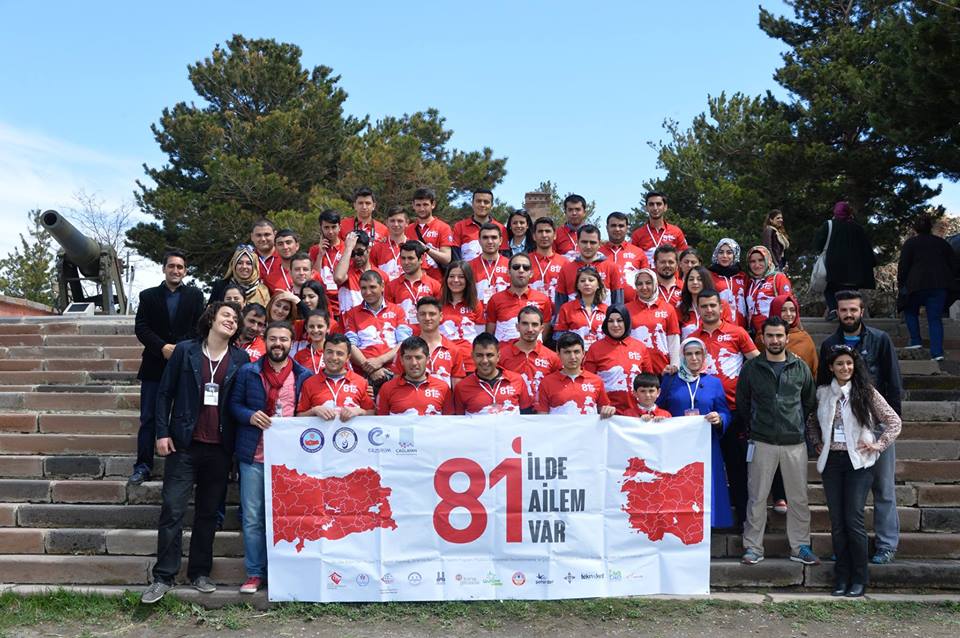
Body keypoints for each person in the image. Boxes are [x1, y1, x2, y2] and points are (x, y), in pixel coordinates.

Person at [140, 302, 248, 604]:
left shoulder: (240, 358)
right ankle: (163, 576)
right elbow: (164, 393)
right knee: (173, 510)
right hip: (184, 445)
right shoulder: (186, 351)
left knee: (207, 514)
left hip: (220, 449)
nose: (231, 320)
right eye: (226, 315)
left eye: (235, 319)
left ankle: (200, 572)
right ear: (211, 318)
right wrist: (162, 432)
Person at [807, 345, 902, 598]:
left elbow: (894, 421)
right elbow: (812, 421)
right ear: (831, 367)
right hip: (832, 462)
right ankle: (841, 577)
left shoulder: (866, 392)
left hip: (858, 463)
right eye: (839, 364)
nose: (845, 368)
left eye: (849, 363)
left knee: (854, 519)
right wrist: (817, 441)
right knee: (837, 522)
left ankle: (859, 578)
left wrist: (878, 444)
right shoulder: (824, 394)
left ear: (854, 365)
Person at [818, 290, 903, 565]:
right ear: (837, 312)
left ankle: (886, 545)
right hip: (844, 433)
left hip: (875, 426)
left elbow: (893, 381)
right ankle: (846, 547)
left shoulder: (880, 339)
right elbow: (823, 386)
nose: (848, 314)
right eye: (843, 310)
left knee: (883, 488)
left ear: (862, 310)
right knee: (846, 497)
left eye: (853, 309)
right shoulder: (830, 343)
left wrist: (886, 427)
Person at [229, 320, 312, 595]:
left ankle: (286, 571)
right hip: (254, 455)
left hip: (291, 460)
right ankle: (254, 573)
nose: (278, 344)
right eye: (273, 339)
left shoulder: (303, 375)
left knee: (289, 517)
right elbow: (233, 406)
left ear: (292, 343)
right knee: (252, 517)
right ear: (265, 340)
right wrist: (250, 416)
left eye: (284, 339)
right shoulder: (248, 372)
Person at [737, 317, 817, 567]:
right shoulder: (751, 368)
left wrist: (795, 424)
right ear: (762, 338)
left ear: (786, 337)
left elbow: (808, 401)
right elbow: (743, 403)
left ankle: (800, 545)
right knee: (757, 497)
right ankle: (752, 547)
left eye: (779, 336)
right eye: (770, 336)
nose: (775, 340)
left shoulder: (800, 367)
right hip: (761, 440)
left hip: (794, 442)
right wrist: (756, 426)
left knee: (798, 497)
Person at [130, 251, 205, 485]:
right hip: (154, 364)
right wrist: (161, 347)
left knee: (184, 416)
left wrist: (180, 349)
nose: (176, 270)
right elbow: (141, 327)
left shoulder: (195, 295)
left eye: (180, 267)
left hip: (184, 365)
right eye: (171, 266)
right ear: (164, 268)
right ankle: (143, 465)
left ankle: (182, 466)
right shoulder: (148, 296)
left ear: (185, 271)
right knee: (149, 418)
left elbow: (200, 328)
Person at [692, 290, 760, 525]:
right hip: (701, 417)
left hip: (733, 410)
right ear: (698, 309)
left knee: (737, 468)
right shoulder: (693, 337)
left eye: (713, 305)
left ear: (721, 308)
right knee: (700, 470)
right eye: (704, 306)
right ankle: (701, 523)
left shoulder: (737, 332)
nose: (709, 310)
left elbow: (757, 362)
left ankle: (743, 522)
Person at [657, 337, 734, 528]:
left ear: (704, 356)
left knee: (708, 483)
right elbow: (659, 406)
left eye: (698, 353)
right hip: (676, 444)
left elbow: (725, 411)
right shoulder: (670, 380)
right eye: (689, 354)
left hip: (706, 444)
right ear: (682, 356)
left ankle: (710, 524)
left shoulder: (714, 382)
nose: (694, 358)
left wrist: (720, 419)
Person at [899, 213, 957, 361]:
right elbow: (954, 264)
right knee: (934, 318)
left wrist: (902, 285)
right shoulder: (942, 243)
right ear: (930, 227)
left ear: (916, 228)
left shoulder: (910, 244)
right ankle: (937, 353)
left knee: (910, 311)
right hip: (939, 285)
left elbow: (903, 267)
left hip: (915, 285)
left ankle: (916, 341)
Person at [343, 270, 413, 386]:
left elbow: (404, 343)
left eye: (372, 287)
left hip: (394, 371)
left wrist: (379, 361)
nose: (368, 292)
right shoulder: (352, 313)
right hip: (364, 374)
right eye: (363, 288)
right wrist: (372, 369)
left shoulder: (397, 310)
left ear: (382, 286)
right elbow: (350, 345)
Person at [582, 305, 653, 414]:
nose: (615, 325)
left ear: (626, 322)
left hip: (637, 415)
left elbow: (649, 382)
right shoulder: (595, 348)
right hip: (607, 415)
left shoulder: (640, 347)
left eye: (620, 320)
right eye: (610, 321)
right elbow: (588, 383)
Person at [814, 201, 876, 320]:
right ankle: (850, 313)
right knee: (851, 293)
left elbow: (818, 244)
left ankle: (833, 310)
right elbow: (866, 249)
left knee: (829, 289)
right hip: (854, 271)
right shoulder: (857, 228)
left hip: (833, 267)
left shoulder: (829, 225)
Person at [390, 297, 466, 388]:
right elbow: (395, 384)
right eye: (422, 314)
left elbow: (457, 389)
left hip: (443, 401)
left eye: (432, 314)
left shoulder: (454, 350)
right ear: (417, 317)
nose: (427, 318)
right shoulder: (405, 347)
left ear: (441, 316)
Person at [296, 332, 374, 418]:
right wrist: (314, 410)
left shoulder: (361, 382)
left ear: (348, 357)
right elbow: (299, 416)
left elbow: (372, 413)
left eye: (340, 354)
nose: (334, 358)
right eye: (329, 352)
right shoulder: (309, 383)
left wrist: (360, 411)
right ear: (323, 353)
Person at [453, 332, 534, 415]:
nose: (485, 361)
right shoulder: (461, 387)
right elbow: (458, 424)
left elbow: (527, 417)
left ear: (498, 356)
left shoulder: (517, 380)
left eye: (489, 355)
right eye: (479, 355)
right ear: (472, 356)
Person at [536, 333, 615, 417]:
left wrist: (609, 410)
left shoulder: (597, 381)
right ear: (558, 354)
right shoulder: (547, 383)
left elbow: (604, 410)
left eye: (576, 352)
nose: (572, 357)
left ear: (583, 353)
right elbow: (542, 418)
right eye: (567, 352)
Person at [376, 336, 453, 415]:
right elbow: (381, 423)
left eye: (418, 357)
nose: (414, 363)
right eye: (408, 358)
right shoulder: (387, 389)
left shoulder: (443, 388)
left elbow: (450, 423)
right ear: (401, 360)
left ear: (427, 360)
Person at [498, 306, 561, 402]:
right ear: (517, 327)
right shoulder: (501, 355)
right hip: (511, 412)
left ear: (541, 328)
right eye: (525, 324)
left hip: (542, 412)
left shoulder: (553, 357)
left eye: (534, 324)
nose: (530, 329)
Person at [485, 253, 553, 342]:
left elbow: (545, 330)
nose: (521, 270)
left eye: (526, 267)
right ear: (508, 272)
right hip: (504, 354)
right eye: (516, 267)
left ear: (531, 273)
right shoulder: (495, 299)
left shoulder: (543, 299)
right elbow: (490, 333)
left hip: (533, 353)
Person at [555, 225, 624, 311]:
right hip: (574, 322)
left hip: (604, 322)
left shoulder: (612, 267)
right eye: (584, 242)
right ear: (577, 243)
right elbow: (560, 308)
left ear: (599, 244)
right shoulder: (566, 269)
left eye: (592, 242)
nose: (588, 246)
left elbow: (618, 305)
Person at [625, 268, 680, 374]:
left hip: (663, 369)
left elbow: (673, 340)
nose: (644, 287)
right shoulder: (626, 309)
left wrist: (674, 365)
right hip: (636, 369)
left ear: (655, 284)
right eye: (640, 284)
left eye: (648, 283)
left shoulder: (668, 308)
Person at [439, 261, 485, 371]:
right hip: (444, 361)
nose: (455, 280)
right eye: (451, 276)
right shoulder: (437, 303)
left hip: (469, 363)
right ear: (446, 279)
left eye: (461, 277)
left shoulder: (475, 304)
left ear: (468, 280)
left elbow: (480, 337)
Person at [385, 240, 442, 326]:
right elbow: (389, 316)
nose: (406, 262)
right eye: (403, 258)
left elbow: (440, 314)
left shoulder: (435, 285)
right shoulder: (391, 286)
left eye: (410, 258)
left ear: (421, 259)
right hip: (403, 336)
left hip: (426, 336)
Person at [334, 230, 389, 316]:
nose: (356, 257)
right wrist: (348, 248)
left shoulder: (381, 275)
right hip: (348, 325)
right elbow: (338, 277)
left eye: (360, 252)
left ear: (369, 249)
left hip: (372, 324)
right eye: (352, 253)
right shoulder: (346, 270)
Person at [600, 211, 649, 303]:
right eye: (613, 225)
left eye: (621, 226)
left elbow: (647, 280)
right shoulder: (598, 253)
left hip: (633, 307)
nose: (617, 229)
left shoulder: (638, 252)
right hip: (603, 307)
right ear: (607, 228)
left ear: (627, 228)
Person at [554, 266, 608, 349]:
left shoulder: (606, 310)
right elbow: (559, 338)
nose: (586, 283)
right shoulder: (566, 308)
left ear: (598, 285)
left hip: (601, 356)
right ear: (577, 286)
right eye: (582, 281)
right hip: (575, 357)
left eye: (591, 280)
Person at [405, 187, 454, 281]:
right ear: (413, 205)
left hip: (437, 282)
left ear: (433, 204)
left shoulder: (443, 227)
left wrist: (427, 249)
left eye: (425, 204)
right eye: (418, 205)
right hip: (413, 282)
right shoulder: (408, 229)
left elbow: (447, 258)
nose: (422, 209)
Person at [630, 191, 689, 266]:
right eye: (651, 204)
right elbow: (632, 259)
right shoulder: (637, 234)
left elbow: (684, 258)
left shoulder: (676, 232)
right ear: (646, 208)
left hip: (670, 276)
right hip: (647, 276)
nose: (655, 208)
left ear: (665, 207)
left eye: (658, 204)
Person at [745, 245, 792, 337]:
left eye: (761, 260)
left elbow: (788, 304)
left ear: (768, 260)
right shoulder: (750, 282)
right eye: (752, 261)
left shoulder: (778, 278)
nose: (757, 265)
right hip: (755, 334)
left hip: (774, 332)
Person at [767, 293, 818, 377]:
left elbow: (813, 370)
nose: (789, 314)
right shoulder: (763, 337)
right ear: (775, 310)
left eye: (792, 310)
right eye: (783, 310)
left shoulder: (804, 338)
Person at [452, 189, 508, 262]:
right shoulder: (459, 226)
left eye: (486, 202)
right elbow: (456, 255)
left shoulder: (501, 228)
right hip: (467, 271)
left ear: (492, 205)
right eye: (478, 201)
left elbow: (504, 257)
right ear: (472, 203)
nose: (482, 205)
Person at [310, 211, 345, 318]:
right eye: (326, 227)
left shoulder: (347, 249)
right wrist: (320, 255)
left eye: (334, 227)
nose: (330, 231)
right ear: (321, 228)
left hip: (342, 301)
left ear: (340, 227)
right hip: (323, 303)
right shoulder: (314, 250)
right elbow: (313, 278)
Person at [678, 266, 730, 339]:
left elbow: (731, 331)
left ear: (706, 281)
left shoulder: (721, 304)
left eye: (699, 279)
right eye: (691, 279)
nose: (695, 282)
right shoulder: (681, 308)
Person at [708, 238, 749, 329]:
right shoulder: (709, 275)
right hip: (718, 327)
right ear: (716, 254)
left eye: (729, 252)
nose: (724, 256)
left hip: (741, 327)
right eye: (721, 252)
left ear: (735, 255)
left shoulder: (743, 276)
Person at [468, 223, 511, 303]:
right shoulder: (468, 266)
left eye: (494, 237)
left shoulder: (511, 265)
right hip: (477, 313)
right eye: (485, 238)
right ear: (479, 241)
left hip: (503, 312)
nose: (490, 241)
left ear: (501, 240)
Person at [529, 217, 566, 301]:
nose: (544, 235)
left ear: (555, 235)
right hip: (530, 311)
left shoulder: (565, 262)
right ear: (534, 236)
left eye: (548, 231)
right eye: (540, 231)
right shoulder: (524, 261)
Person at [370, 205, 409, 281]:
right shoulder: (377, 248)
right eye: (392, 221)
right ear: (386, 222)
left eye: (400, 221)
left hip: (406, 291)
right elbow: (371, 273)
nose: (396, 224)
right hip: (384, 291)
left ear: (407, 223)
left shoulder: (414, 247)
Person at [263, 229, 306, 295]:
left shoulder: (312, 274)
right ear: (276, 248)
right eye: (280, 244)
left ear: (297, 246)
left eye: (288, 242)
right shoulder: (270, 279)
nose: (285, 247)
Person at [293, 309, 332, 374]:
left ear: (328, 328)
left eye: (320, 326)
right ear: (306, 328)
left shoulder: (335, 353)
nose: (315, 330)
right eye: (311, 326)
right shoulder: (299, 356)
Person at [553, 193, 589, 260]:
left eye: (577, 209)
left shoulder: (591, 233)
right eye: (570, 210)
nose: (574, 213)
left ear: (584, 212)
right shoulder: (556, 233)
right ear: (565, 212)